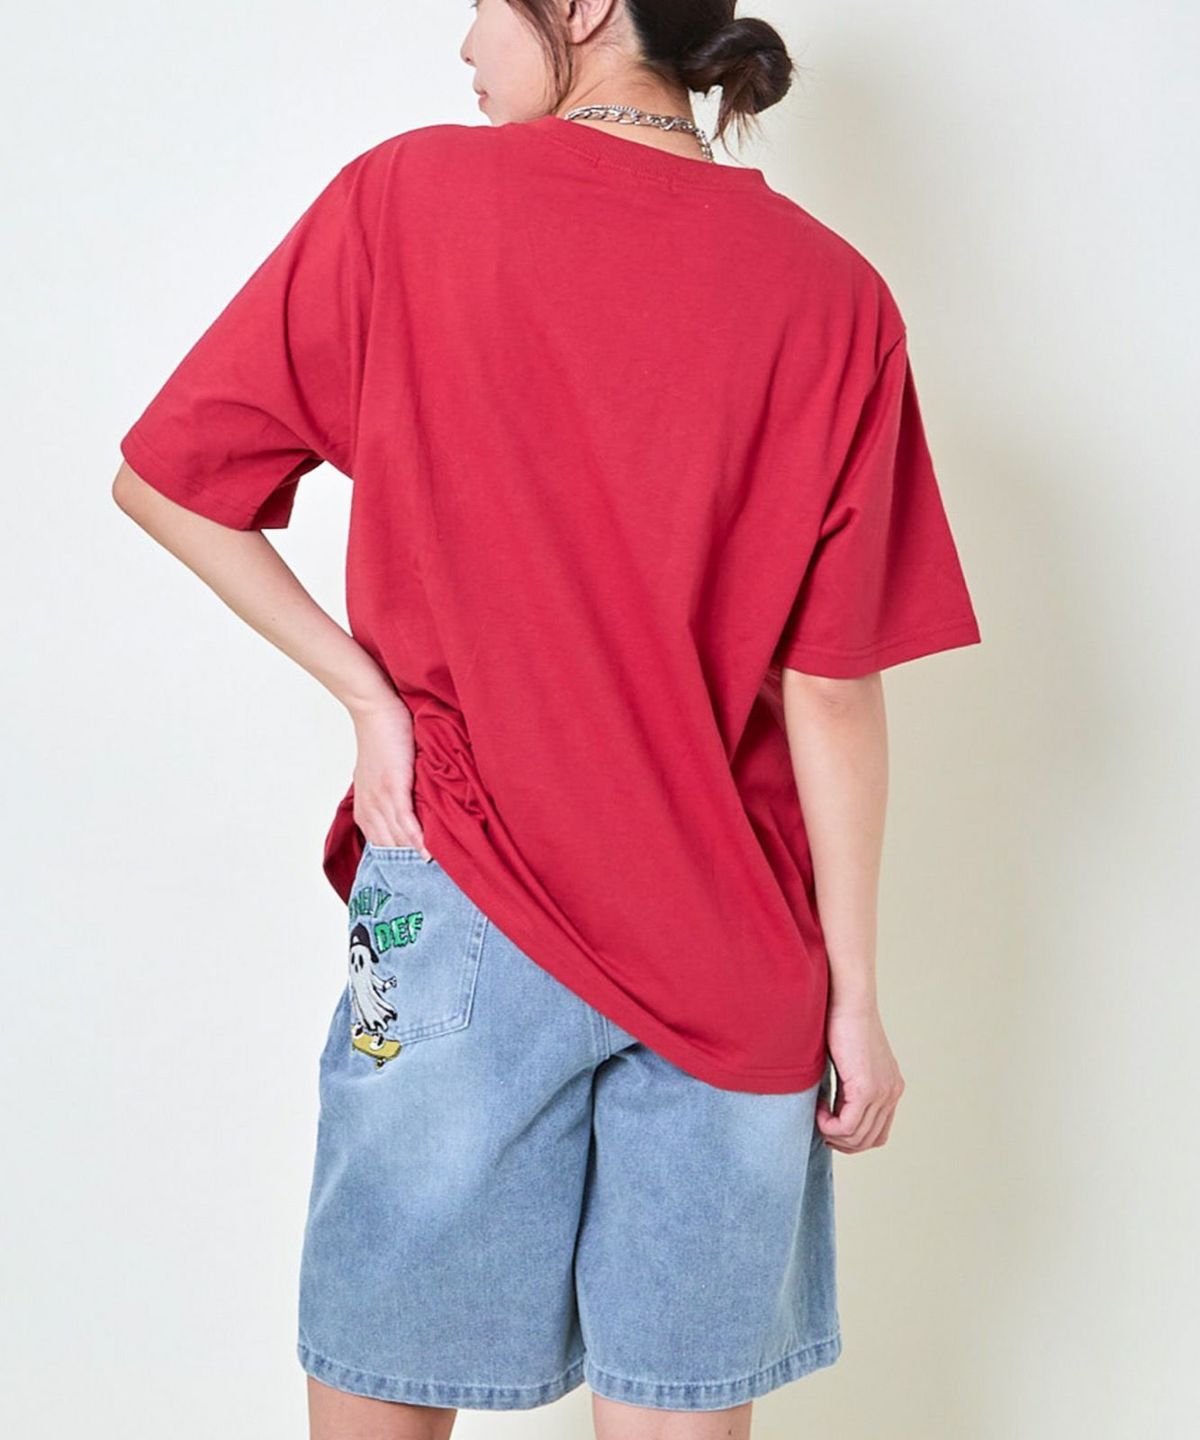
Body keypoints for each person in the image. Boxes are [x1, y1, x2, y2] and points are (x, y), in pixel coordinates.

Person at [112, 1, 982, 1436]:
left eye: (480, 2)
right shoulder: (836, 296)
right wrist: (855, 999)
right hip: (733, 949)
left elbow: (167, 480)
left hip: (452, 882)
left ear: (578, 6)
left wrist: (368, 696)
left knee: (383, 1381)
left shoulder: (409, 197)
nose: (464, 43)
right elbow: (830, 686)